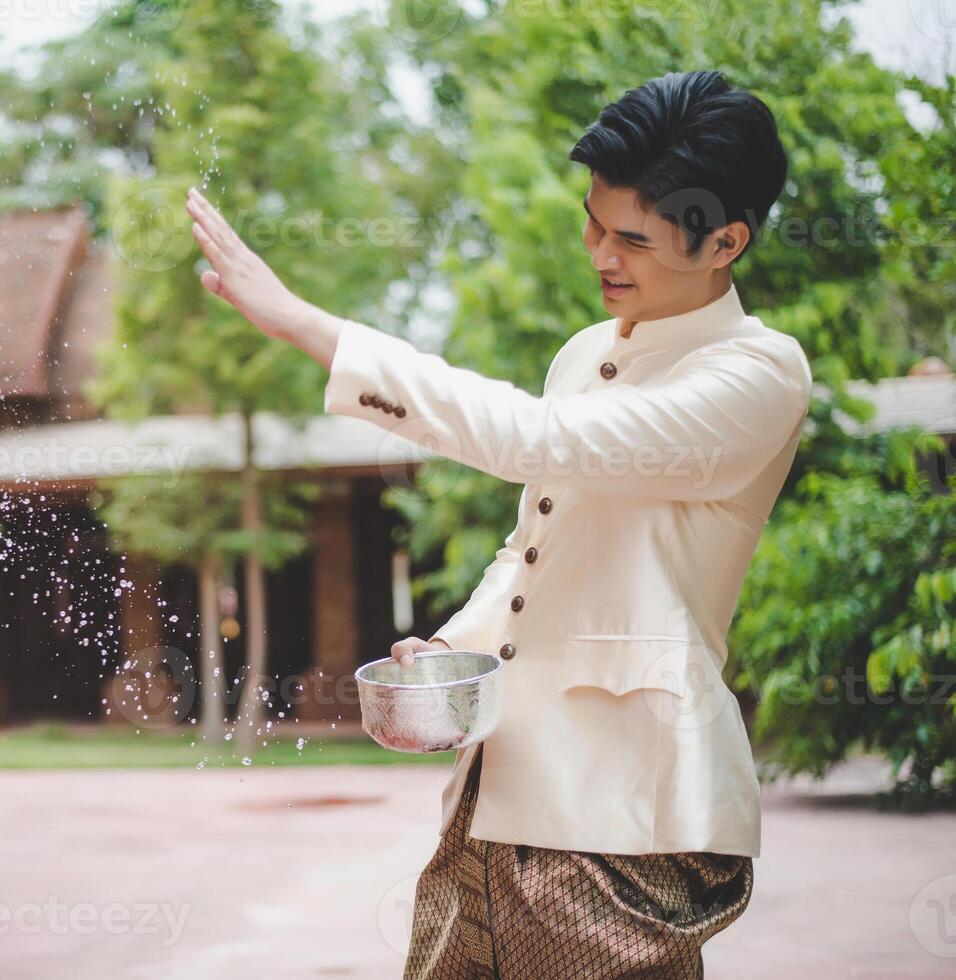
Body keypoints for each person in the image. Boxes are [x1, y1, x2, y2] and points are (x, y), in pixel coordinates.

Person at [184, 70, 811, 978]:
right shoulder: (587, 354)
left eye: (632, 238)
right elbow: (534, 548)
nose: (599, 251)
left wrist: (312, 327)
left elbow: (537, 441)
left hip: (623, 812)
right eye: (593, 220)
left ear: (725, 241)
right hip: (498, 786)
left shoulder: (757, 374)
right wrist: (453, 650)